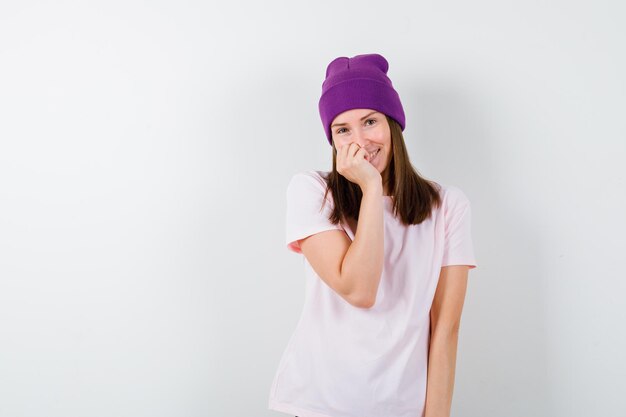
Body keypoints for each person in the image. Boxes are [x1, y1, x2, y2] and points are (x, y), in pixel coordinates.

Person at [267, 53, 478, 417]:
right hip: (319, 403)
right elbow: (359, 289)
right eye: (343, 129)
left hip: (402, 407)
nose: (360, 141)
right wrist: (370, 189)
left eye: (370, 121)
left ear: (393, 123)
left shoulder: (447, 206)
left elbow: (445, 329)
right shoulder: (312, 190)